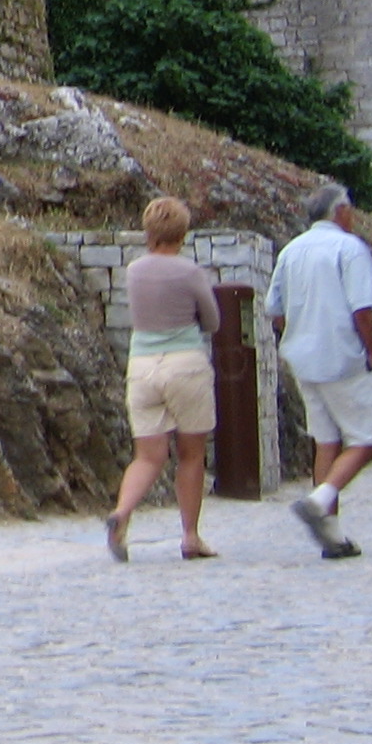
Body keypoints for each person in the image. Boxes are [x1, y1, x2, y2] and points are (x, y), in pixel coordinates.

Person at [266, 182, 372, 560]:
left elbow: (276, 310)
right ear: (341, 211)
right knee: (367, 439)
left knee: (326, 440)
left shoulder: (291, 251)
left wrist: (298, 335)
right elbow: (362, 308)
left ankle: (332, 536)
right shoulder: (350, 249)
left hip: (303, 359)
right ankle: (320, 500)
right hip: (343, 357)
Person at [105, 195, 221, 563]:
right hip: (185, 364)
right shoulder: (190, 272)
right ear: (182, 233)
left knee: (148, 456)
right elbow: (213, 322)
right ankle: (190, 536)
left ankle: (122, 513)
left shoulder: (135, 270)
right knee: (191, 454)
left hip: (142, 366)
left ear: (149, 230)